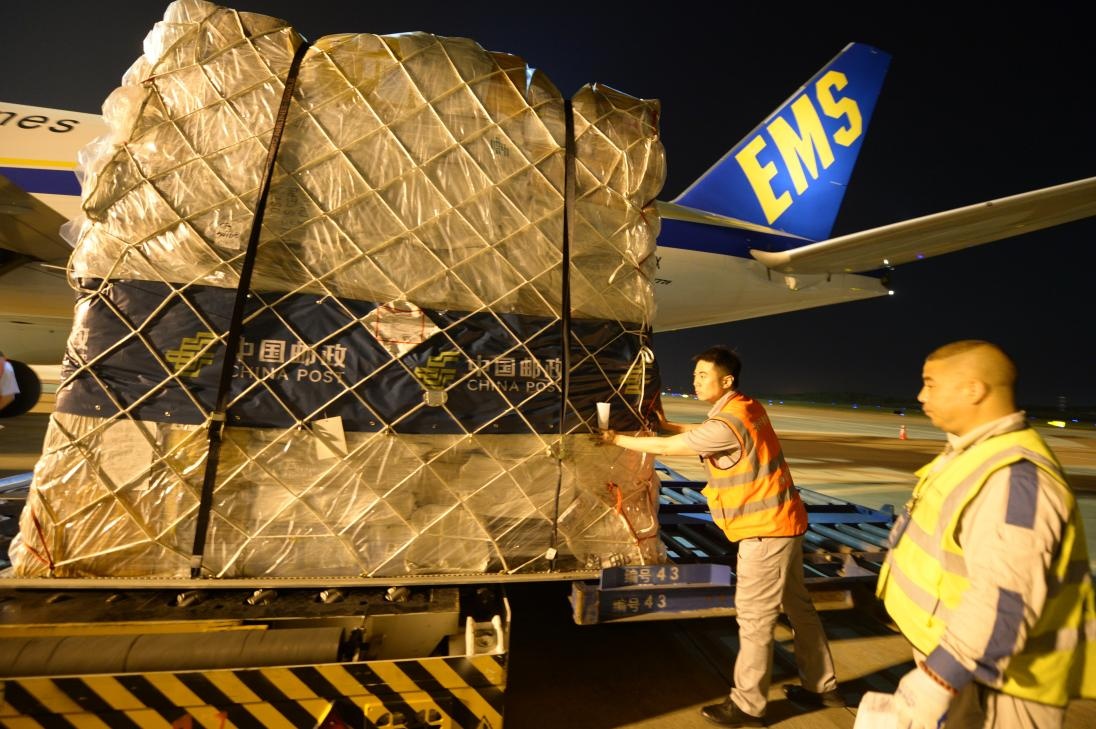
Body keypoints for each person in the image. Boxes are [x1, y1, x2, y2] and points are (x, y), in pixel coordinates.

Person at [598, 346, 841, 727]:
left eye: (702, 376)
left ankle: (748, 706)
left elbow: (667, 449)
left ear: (726, 381)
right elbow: (703, 435)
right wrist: (670, 425)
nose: (695, 381)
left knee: (756, 619)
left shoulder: (726, 423)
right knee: (799, 607)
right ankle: (821, 686)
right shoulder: (747, 408)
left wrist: (615, 440)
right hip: (786, 523)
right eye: (694, 375)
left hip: (763, 532)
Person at [877, 340, 1096, 729]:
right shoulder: (973, 454)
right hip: (966, 659)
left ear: (973, 390)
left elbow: (1005, 597)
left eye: (930, 383)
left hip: (1007, 678)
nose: (921, 395)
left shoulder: (1014, 478)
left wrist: (937, 678)